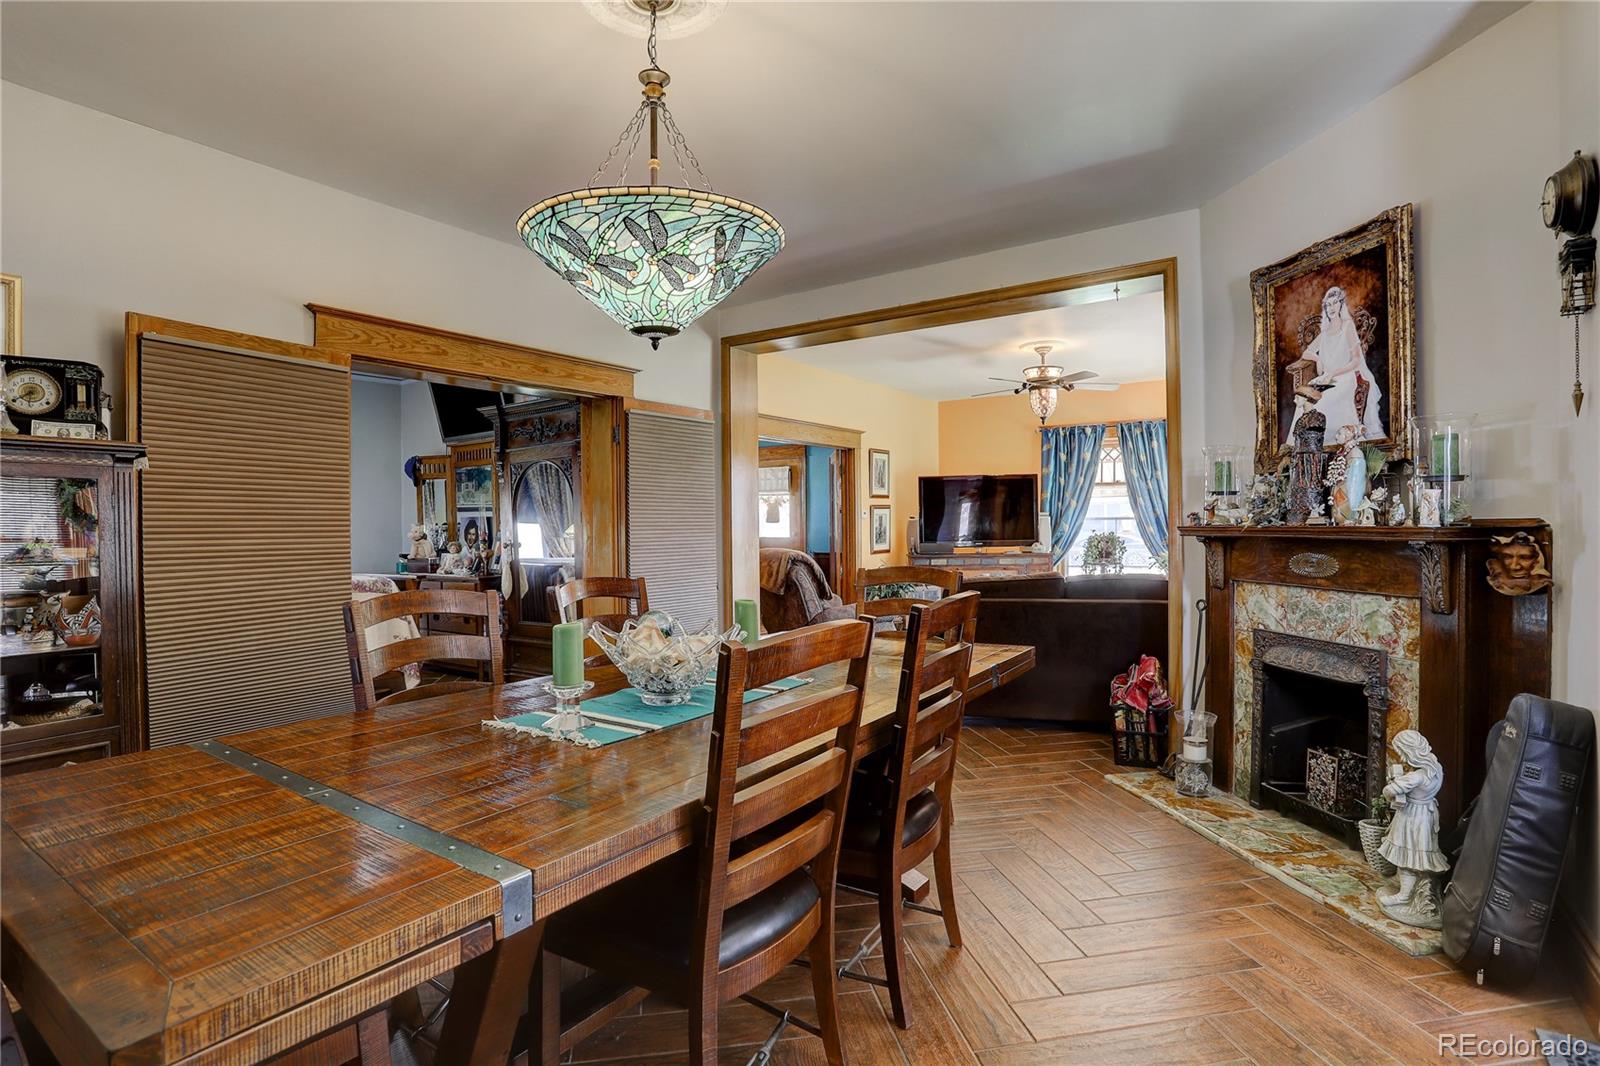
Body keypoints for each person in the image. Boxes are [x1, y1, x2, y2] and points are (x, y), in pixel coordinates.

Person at [1287, 286, 1384, 443]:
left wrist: (1333, 373)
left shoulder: (1347, 326)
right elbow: (1307, 353)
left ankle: (1331, 443)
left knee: (1325, 399)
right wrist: (1318, 359)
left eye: (1334, 303)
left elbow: (1356, 360)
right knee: (1305, 400)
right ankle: (1303, 446)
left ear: (1340, 304)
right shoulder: (1324, 332)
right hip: (1328, 377)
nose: (1331, 308)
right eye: (1328, 304)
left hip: (1345, 375)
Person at [1377, 730, 1450, 926]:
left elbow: (1389, 791)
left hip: (1412, 818)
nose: (1401, 757)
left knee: (1406, 857)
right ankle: (1411, 893)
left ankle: (1404, 896)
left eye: (1402, 752)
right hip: (1426, 816)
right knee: (1417, 854)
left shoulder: (1416, 777)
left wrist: (1393, 784)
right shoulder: (1436, 769)